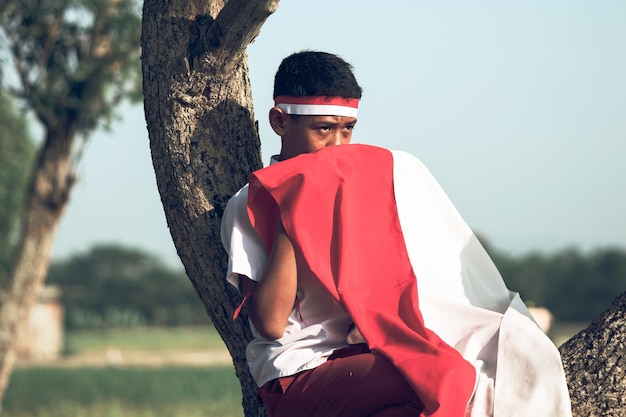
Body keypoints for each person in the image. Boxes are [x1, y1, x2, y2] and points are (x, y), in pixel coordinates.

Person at [221, 51, 572, 417]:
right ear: (280, 121)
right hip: (297, 372)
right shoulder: (249, 204)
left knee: (510, 352)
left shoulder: (363, 191)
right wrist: (293, 211)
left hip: (370, 357)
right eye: (323, 129)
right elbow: (271, 324)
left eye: (347, 130)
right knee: (439, 376)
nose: (338, 146)